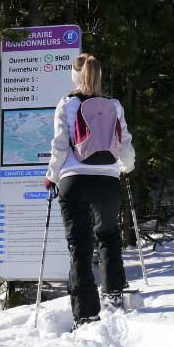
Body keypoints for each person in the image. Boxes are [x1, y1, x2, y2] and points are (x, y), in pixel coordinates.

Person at [44, 53, 135, 330]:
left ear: (75, 76)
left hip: (74, 181)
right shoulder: (114, 105)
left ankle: (85, 313)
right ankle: (114, 290)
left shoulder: (67, 104)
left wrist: (51, 176)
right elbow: (125, 143)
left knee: (80, 247)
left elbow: (60, 146)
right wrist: (126, 167)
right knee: (108, 236)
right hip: (107, 181)